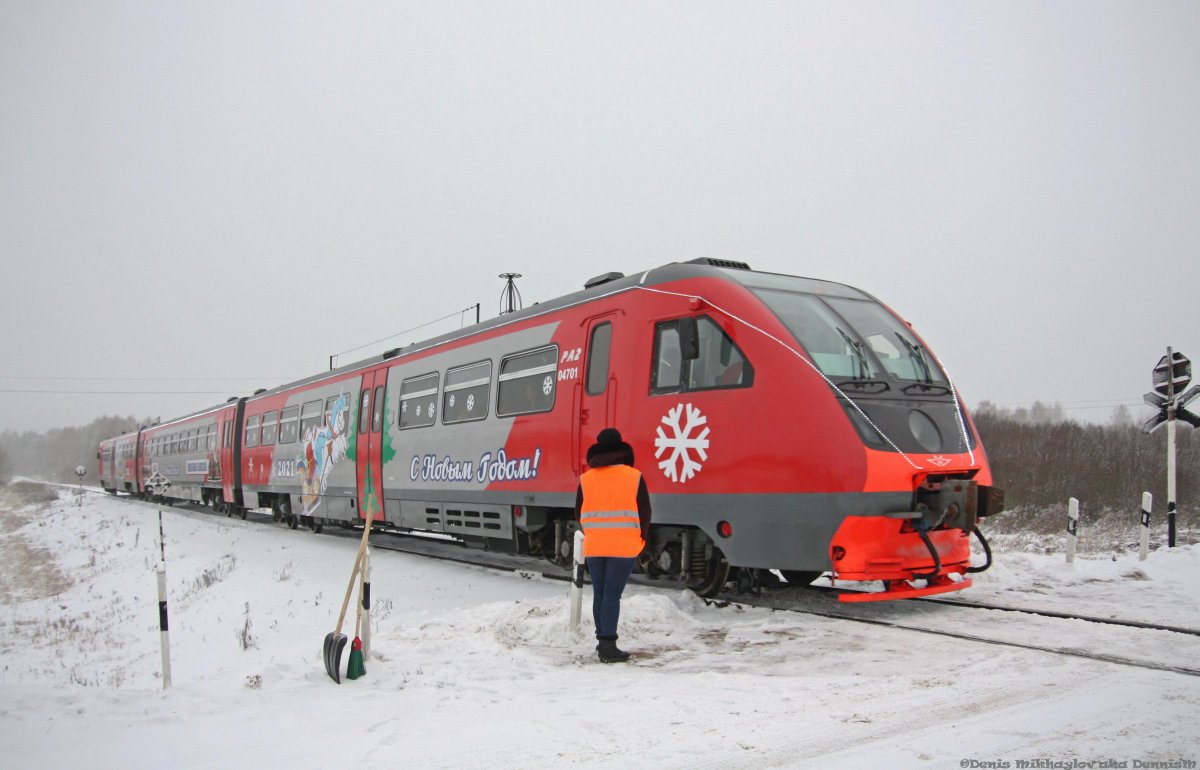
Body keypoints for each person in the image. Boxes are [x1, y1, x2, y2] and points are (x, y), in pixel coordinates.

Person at [574, 428, 652, 663]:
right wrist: (642, 539)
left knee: (601, 593)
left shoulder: (586, 479)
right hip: (624, 545)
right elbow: (645, 511)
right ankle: (608, 646)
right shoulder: (634, 476)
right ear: (621, 450)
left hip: (596, 545)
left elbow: (578, 511)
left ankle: (603, 642)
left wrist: (592, 532)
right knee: (612, 595)